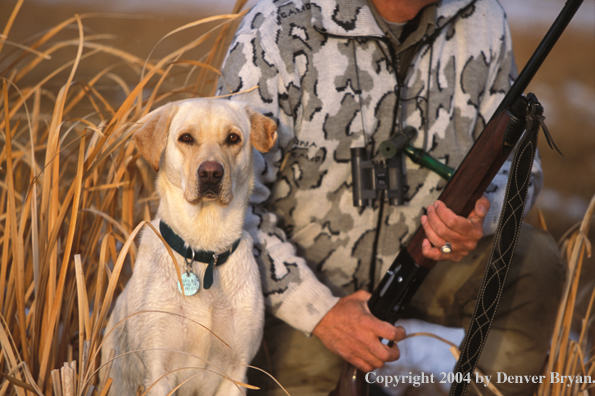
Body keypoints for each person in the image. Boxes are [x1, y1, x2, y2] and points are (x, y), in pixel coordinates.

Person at [216, 0, 565, 394]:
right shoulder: (275, 26)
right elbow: (228, 209)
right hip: (305, 287)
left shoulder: (483, 17)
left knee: (533, 263)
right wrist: (320, 313)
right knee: (307, 380)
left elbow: (521, 162)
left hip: (431, 265)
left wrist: (482, 215)